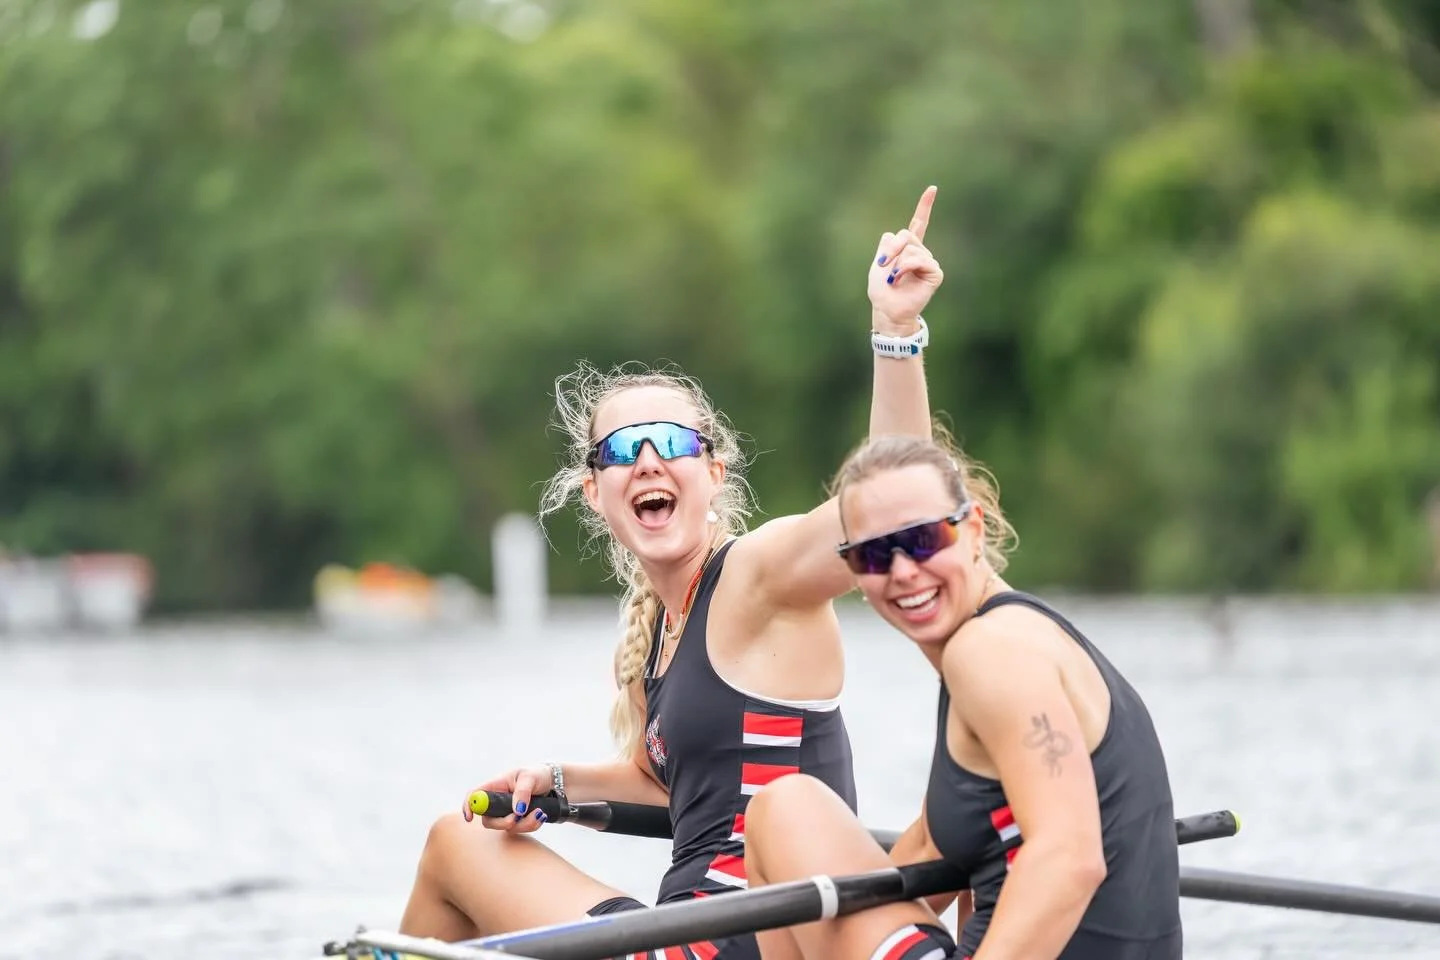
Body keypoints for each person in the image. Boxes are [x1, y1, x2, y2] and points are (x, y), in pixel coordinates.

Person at [397, 186, 949, 959]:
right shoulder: (650, 636)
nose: (648, 460)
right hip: (682, 929)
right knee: (461, 842)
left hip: (740, 941)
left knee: (450, 850)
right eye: (624, 450)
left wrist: (896, 334)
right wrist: (556, 783)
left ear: (713, 471)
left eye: (671, 443)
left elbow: (887, 510)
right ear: (597, 492)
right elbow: (675, 794)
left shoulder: (755, 579)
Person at [741, 431, 1182, 960]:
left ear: (971, 529)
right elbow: (926, 853)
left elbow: (1070, 857)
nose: (904, 571)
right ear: (854, 571)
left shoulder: (987, 653)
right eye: (874, 553)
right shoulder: (1025, 636)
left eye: (924, 538)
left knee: (784, 806)